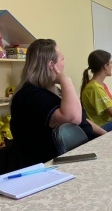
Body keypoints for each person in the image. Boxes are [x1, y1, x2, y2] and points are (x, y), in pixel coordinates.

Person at [9, 39, 103, 170]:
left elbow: (82, 118)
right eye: (62, 59)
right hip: (52, 166)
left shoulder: (51, 90)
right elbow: (73, 118)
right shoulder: (31, 96)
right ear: (51, 65)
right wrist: (65, 79)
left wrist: (105, 134)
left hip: (79, 151)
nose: (64, 63)